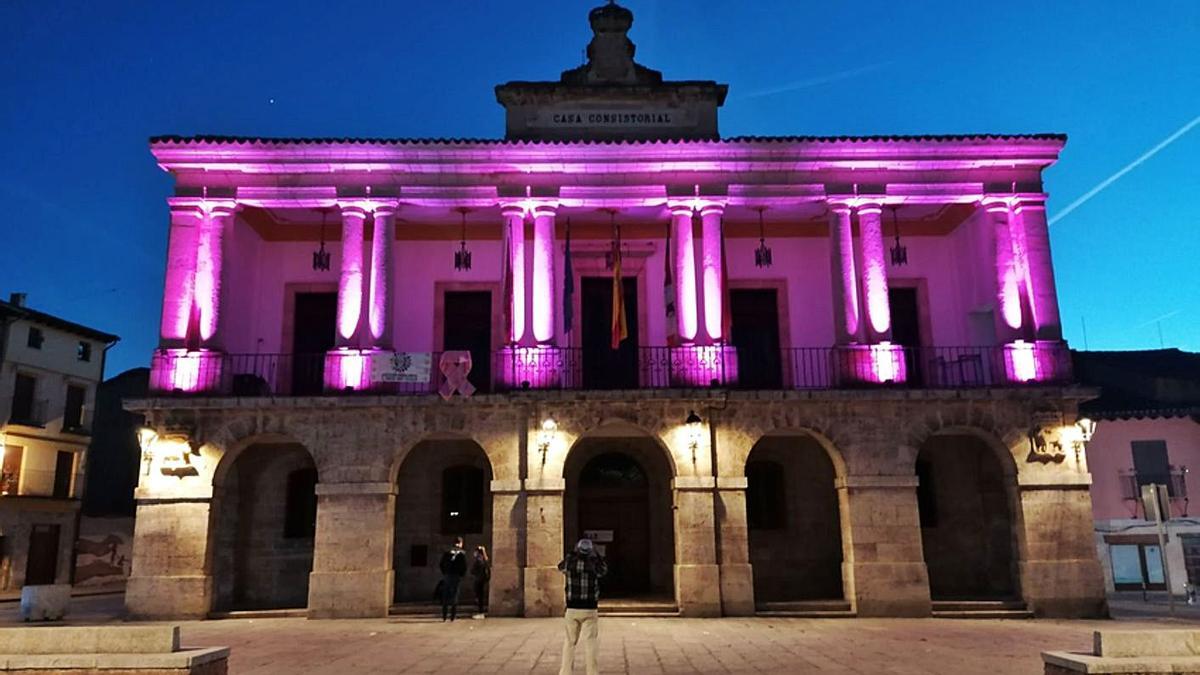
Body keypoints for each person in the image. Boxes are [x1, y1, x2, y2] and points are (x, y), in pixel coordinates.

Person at [557, 538, 607, 675]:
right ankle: (592, 672)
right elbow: (604, 570)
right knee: (591, 642)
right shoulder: (594, 565)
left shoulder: (570, 563)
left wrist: (571, 554)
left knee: (569, 642)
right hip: (590, 608)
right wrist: (597, 556)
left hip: (572, 608)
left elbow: (560, 566)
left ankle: (565, 672)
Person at [438, 536, 468, 622]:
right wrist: (461, 575)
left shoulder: (447, 553)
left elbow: (441, 564)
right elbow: (464, 567)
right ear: (461, 543)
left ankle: (444, 616)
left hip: (447, 576)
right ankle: (452, 617)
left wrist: (445, 573)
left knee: (446, 596)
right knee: (454, 597)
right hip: (456, 576)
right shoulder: (461, 554)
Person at [471, 545, 490, 617]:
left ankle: (480, 612)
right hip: (482, 579)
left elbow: (473, 570)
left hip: (478, 579)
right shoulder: (485, 559)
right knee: (480, 596)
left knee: (479, 596)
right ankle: (480, 612)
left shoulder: (478, 560)